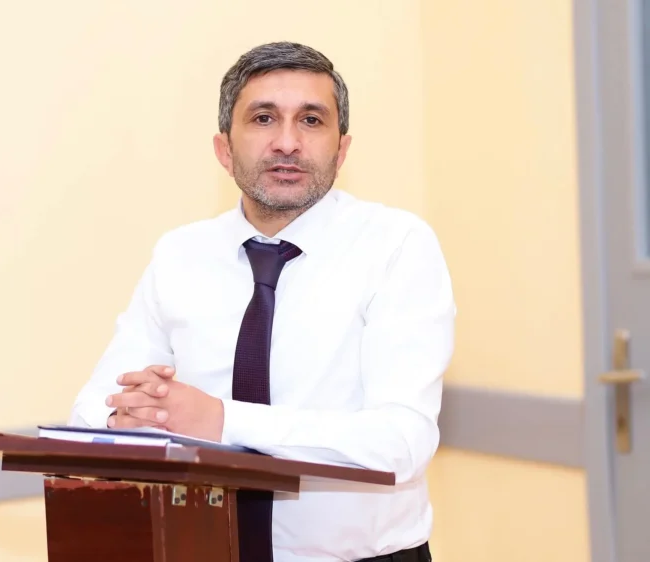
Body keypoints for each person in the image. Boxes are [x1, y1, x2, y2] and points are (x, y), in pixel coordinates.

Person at [68, 41, 453, 562]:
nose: (287, 143)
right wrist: (132, 417)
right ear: (224, 150)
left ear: (341, 150)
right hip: (203, 551)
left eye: (311, 120)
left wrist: (219, 420)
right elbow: (93, 409)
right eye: (264, 118)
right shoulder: (180, 253)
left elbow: (400, 442)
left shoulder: (397, 245)